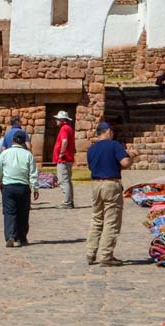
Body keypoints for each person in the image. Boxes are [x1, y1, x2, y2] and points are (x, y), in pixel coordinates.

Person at [86, 121, 132, 267]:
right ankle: (106, 254)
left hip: (96, 185)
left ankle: (90, 252)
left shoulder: (91, 149)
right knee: (111, 220)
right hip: (111, 184)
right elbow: (125, 163)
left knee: (97, 218)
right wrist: (132, 156)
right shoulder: (114, 145)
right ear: (107, 131)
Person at [0, 129, 39, 248]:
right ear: (24, 142)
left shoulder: (5, 154)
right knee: (23, 213)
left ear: (13, 140)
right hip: (23, 187)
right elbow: (33, 173)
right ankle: (21, 237)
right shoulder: (28, 155)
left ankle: (10, 236)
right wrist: (35, 188)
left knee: (9, 212)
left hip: (8, 186)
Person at [52, 110, 75, 209]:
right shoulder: (68, 128)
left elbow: (64, 141)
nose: (56, 121)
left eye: (57, 119)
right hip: (68, 158)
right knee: (67, 180)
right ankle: (69, 200)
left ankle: (67, 202)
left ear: (62, 120)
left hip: (64, 159)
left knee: (63, 180)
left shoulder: (64, 129)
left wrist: (61, 153)